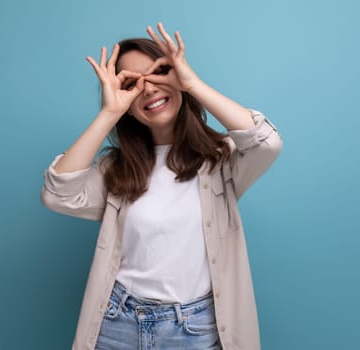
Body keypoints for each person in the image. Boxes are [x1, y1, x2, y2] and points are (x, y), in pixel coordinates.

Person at [41, 22, 283, 350]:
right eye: (133, 83)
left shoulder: (221, 159)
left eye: (159, 72)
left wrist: (192, 83)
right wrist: (109, 113)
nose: (149, 88)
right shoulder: (117, 169)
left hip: (195, 328)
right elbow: (57, 194)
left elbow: (266, 142)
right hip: (117, 325)